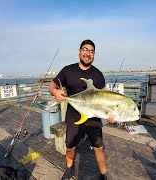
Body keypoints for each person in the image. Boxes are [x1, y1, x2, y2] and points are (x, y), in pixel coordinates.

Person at [49, 39, 115, 180]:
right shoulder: (68, 70)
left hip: (94, 118)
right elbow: (52, 86)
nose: (88, 53)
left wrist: (111, 113)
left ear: (94, 55)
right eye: (85, 49)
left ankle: (103, 174)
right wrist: (56, 93)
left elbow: (104, 99)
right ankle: (69, 168)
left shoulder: (98, 75)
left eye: (91, 51)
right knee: (70, 146)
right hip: (73, 117)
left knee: (99, 147)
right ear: (79, 52)